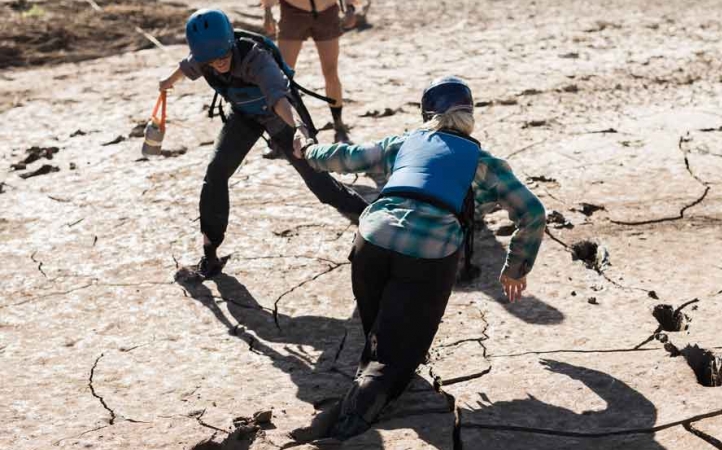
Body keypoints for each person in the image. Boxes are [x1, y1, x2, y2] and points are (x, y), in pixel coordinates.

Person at [289, 76, 547, 441]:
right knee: (398, 354)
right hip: (428, 255)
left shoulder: (403, 142)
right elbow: (532, 212)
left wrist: (309, 150)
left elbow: (346, 157)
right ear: (469, 114)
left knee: (380, 331)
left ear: (426, 113)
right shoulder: (483, 162)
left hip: (371, 240)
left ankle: (366, 386)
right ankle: (348, 425)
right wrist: (516, 267)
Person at [159, 8, 368, 281]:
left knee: (321, 185)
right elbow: (186, 66)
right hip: (244, 115)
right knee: (215, 174)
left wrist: (301, 131)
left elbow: (280, 100)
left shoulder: (257, 58)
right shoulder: (205, 55)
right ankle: (210, 252)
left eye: (223, 55)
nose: (219, 63)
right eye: (212, 60)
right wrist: (167, 82)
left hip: (282, 118)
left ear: (231, 43)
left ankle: (373, 217)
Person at [261, 0, 360, 146]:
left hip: (326, 12)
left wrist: (350, 7)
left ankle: (339, 127)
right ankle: (280, 134)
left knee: (331, 71)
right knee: (282, 75)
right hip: (293, 11)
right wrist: (267, 10)